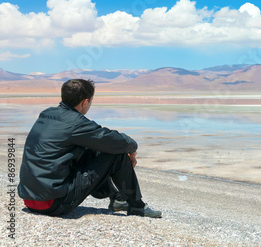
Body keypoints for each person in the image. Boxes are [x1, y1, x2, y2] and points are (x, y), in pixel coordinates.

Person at [18, 79, 161, 218]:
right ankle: (137, 206)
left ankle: (117, 199)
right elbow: (112, 140)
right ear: (85, 102)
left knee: (93, 147)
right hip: (54, 203)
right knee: (115, 153)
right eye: (91, 101)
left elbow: (99, 139)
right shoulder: (76, 123)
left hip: (30, 199)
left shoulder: (47, 114)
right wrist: (132, 146)